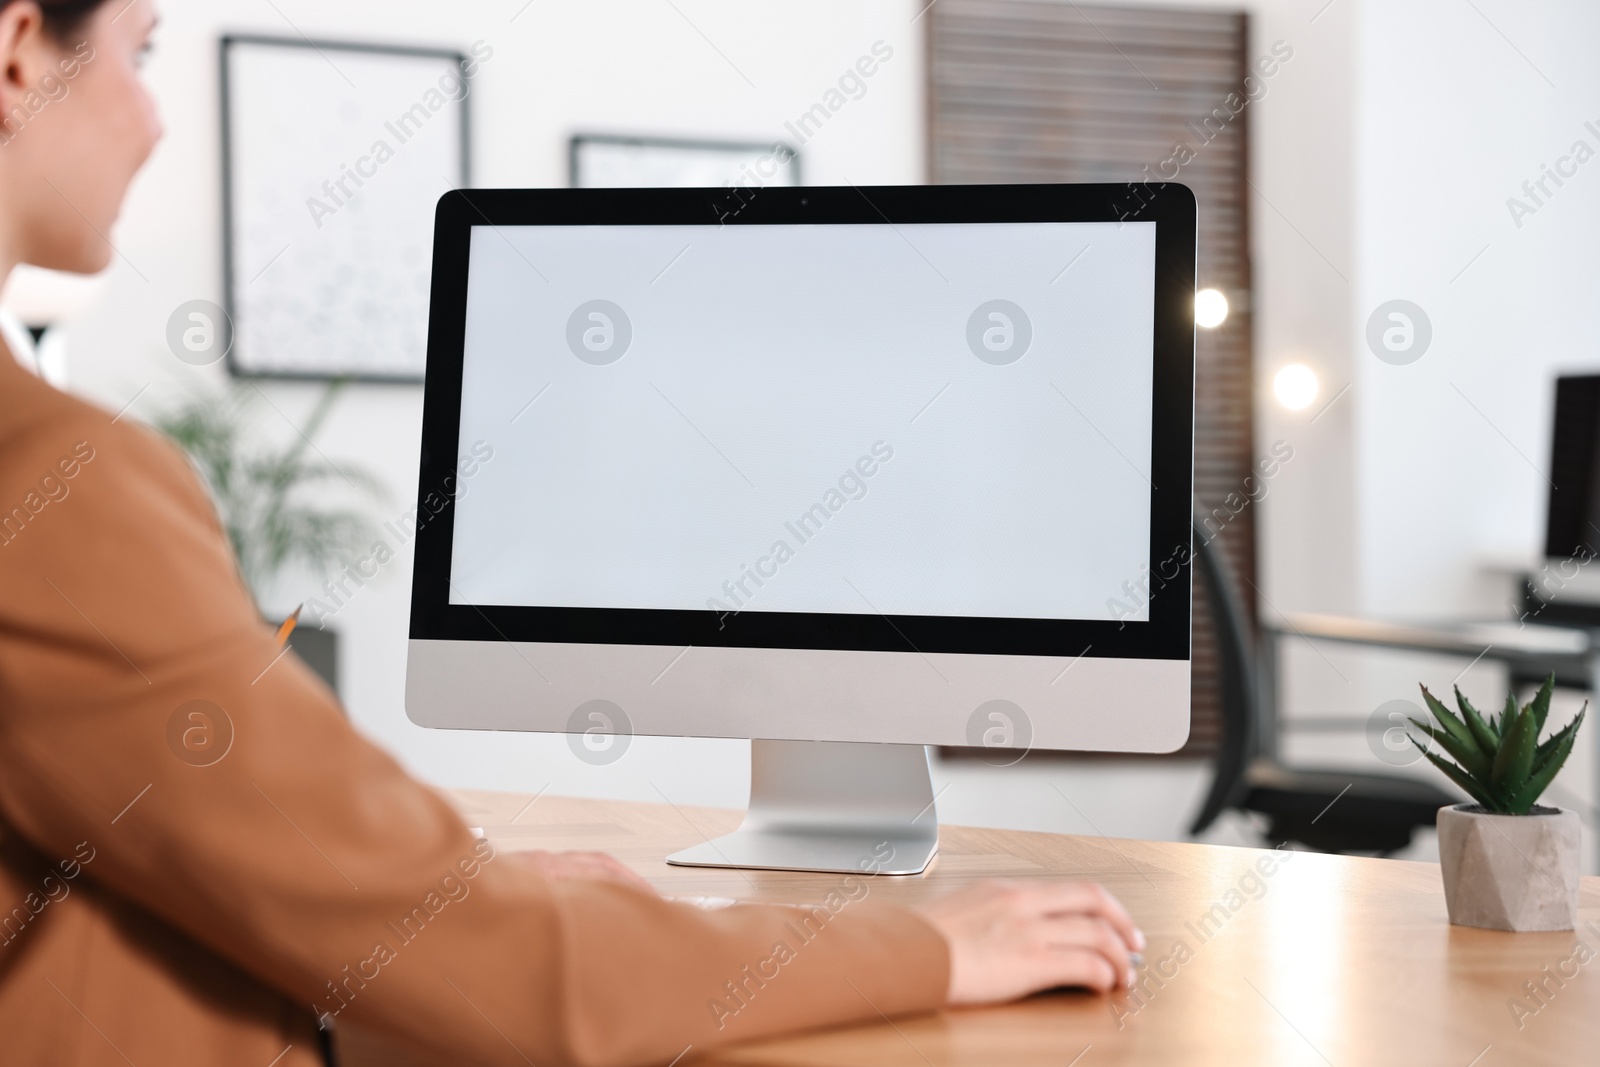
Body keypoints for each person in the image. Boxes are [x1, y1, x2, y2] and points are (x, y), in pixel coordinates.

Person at [0, 2, 1146, 1064]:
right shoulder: (49, 478)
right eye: (141, 50)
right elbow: (525, 986)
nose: (153, 115)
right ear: (18, 57)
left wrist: (443, 899)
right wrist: (940, 947)